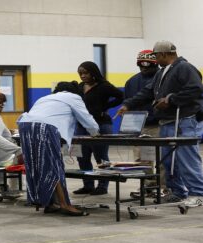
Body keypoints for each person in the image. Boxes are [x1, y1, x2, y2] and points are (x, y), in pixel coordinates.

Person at [117, 40, 203, 204]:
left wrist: (171, 99)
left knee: (186, 158)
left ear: (164, 54)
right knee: (169, 160)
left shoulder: (184, 67)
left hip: (182, 121)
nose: (155, 60)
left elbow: (196, 89)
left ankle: (198, 193)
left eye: (156, 56)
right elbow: (148, 91)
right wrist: (128, 104)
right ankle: (177, 191)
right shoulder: (162, 72)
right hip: (166, 122)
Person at [17, 81, 99, 216]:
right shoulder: (73, 97)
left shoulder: (44, 98)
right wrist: (96, 133)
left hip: (25, 126)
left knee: (36, 165)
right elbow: (87, 119)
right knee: (53, 166)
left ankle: (49, 202)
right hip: (45, 128)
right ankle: (65, 205)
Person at [73, 61, 124, 195]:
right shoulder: (80, 87)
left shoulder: (104, 86)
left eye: (85, 73)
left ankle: (102, 186)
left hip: (101, 124)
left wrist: (105, 107)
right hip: (82, 125)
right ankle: (88, 185)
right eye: (80, 73)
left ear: (93, 72)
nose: (83, 76)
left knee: (101, 156)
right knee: (82, 156)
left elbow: (121, 96)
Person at [124, 50, 161, 197]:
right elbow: (128, 103)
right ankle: (147, 186)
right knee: (142, 158)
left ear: (156, 64)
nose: (144, 68)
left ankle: (164, 187)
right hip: (138, 126)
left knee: (162, 158)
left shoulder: (162, 78)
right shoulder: (131, 82)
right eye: (141, 65)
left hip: (159, 124)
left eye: (148, 65)